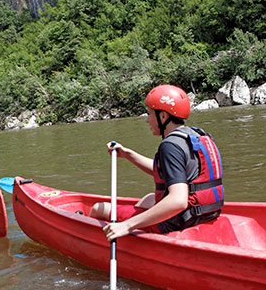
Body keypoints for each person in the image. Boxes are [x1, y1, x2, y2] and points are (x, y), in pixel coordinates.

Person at [89, 84, 224, 241]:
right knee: (148, 199)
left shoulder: (170, 146)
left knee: (98, 208)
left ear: (163, 117)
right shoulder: (195, 136)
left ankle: (100, 242)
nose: (147, 120)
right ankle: (136, 232)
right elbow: (170, 173)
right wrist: (128, 155)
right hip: (204, 213)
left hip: (179, 220)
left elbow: (178, 201)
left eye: (149, 114)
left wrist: (127, 226)